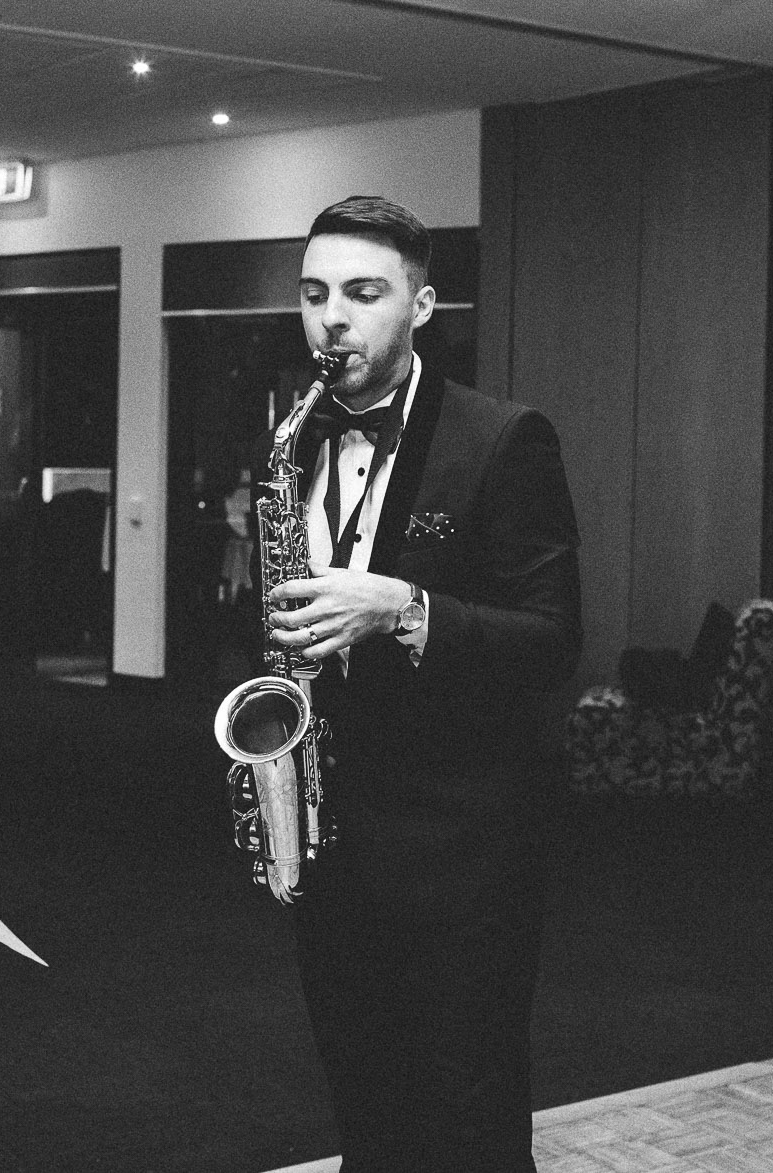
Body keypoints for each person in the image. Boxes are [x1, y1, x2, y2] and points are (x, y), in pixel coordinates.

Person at [262, 195, 582, 1172]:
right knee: (362, 1088)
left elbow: (551, 639)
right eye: (314, 294)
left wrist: (401, 608)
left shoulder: (502, 438)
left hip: (462, 845)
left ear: (423, 304)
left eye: (363, 293)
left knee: (466, 1103)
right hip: (334, 836)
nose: (333, 319)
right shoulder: (294, 439)